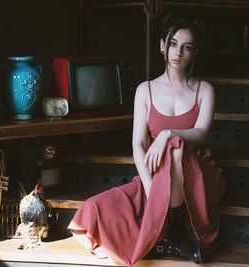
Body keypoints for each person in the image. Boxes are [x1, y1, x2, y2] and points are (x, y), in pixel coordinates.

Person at [68, 15, 225, 266]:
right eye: (173, 44)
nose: (178, 53)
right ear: (162, 46)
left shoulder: (204, 89)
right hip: (158, 175)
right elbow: (138, 146)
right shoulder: (145, 90)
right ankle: (166, 239)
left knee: (175, 149)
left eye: (187, 47)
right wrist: (152, 189)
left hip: (197, 177)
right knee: (92, 210)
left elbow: (202, 132)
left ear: (195, 52)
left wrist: (168, 134)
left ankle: (172, 232)